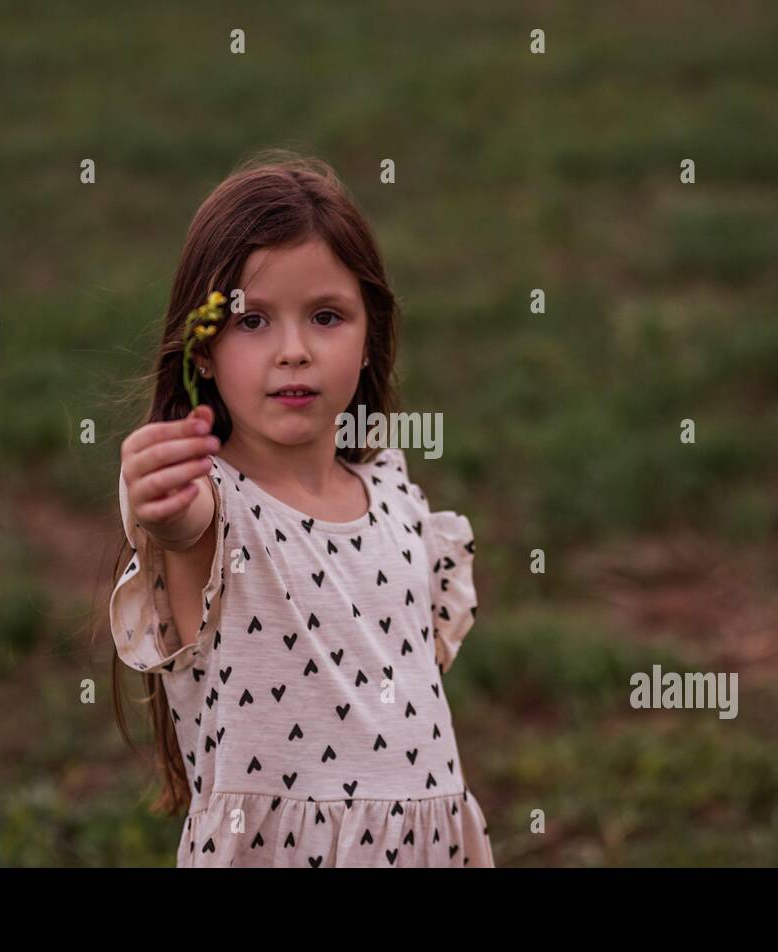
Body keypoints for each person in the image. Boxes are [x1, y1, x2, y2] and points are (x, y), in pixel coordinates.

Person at [109, 151, 492, 867]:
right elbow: (183, 524)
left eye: (326, 316)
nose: (293, 351)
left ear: (369, 337)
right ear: (202, 352)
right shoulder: (217, 511)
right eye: (252, 321)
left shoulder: (399, 504)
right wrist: (160, 504)